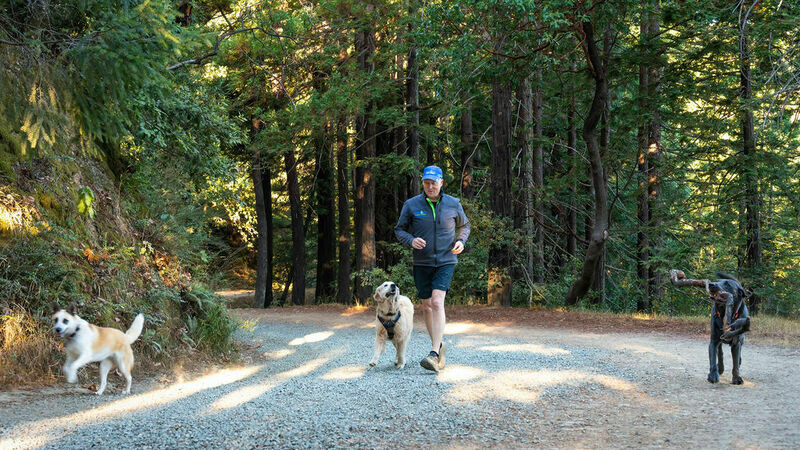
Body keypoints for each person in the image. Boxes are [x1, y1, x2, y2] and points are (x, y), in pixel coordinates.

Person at [395, 165, 471, 372]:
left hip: (446, 260)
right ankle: (438, 345)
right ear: (423, 183)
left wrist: (461, 241)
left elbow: (464, 226)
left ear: (441, 183)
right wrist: (411, 240)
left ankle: (434, 353)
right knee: (427, 306)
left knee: (437, 302)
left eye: (433, 183)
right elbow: (399, 230)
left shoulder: (453, 203)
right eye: (426, 183)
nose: (430, 187)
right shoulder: (412, 204)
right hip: (422, 262)